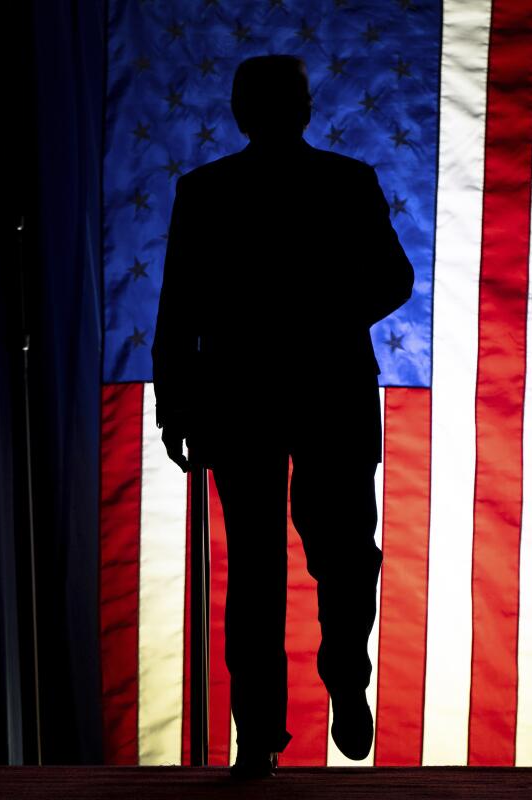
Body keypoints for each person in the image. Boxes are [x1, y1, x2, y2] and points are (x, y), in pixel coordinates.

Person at [150, 54, 414, 779]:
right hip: (323, 390)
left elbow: (177, 308)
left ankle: (260, 735)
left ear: (241, 113)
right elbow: (394, 280)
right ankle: (338, 674)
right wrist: (327, 321)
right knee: (341, 554)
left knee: (260, 570)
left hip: (242, 394)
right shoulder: (346, 182)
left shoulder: (206, 192)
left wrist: (173, 399)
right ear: (303, 110)